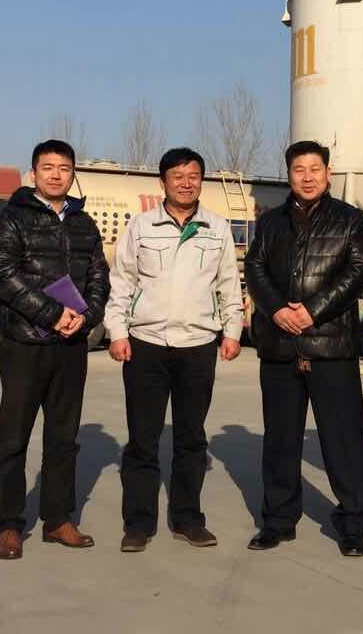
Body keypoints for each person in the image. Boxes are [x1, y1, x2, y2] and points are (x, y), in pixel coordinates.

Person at [105, 147, 244, 552]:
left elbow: (228, 284)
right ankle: (139, 523)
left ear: (202, 181)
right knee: (142, 439)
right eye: (178, 176)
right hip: (146, 345)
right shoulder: (141, 226)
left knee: (191, 438)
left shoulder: (216, 228)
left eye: (193, 176)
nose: (186, 183)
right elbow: (122, 281)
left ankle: (188, 519)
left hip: (197, 346)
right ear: (163, 182)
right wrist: (117, 332)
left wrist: (232, 331)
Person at [244, 140, 363, 556]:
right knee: (280, 440)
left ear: (328, 173)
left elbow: (358, 271)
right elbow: (255, 269)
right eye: (299, 170)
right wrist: (278, 310)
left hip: (331, 346)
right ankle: (278, 521)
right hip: (280, 345)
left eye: (315, 169)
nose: (307, 177)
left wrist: (312, 312)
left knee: (343, 440)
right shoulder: (270, 222)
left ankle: (353, 525)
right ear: (289, 175)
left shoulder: (349, 219)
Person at [0, 139, 110, 561]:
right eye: (48, 167)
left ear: (73, 173)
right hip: (26, 343)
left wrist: (86, 317)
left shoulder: (84, 223)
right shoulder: (11, 219)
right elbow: (3, 276)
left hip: (70, 346)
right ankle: (9, 524)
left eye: (64, 168)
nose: (56, 175)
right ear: (33, 173)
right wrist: (53, 313)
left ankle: (58, 519)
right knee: (13, 438)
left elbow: (99, 277)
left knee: (63, 438)